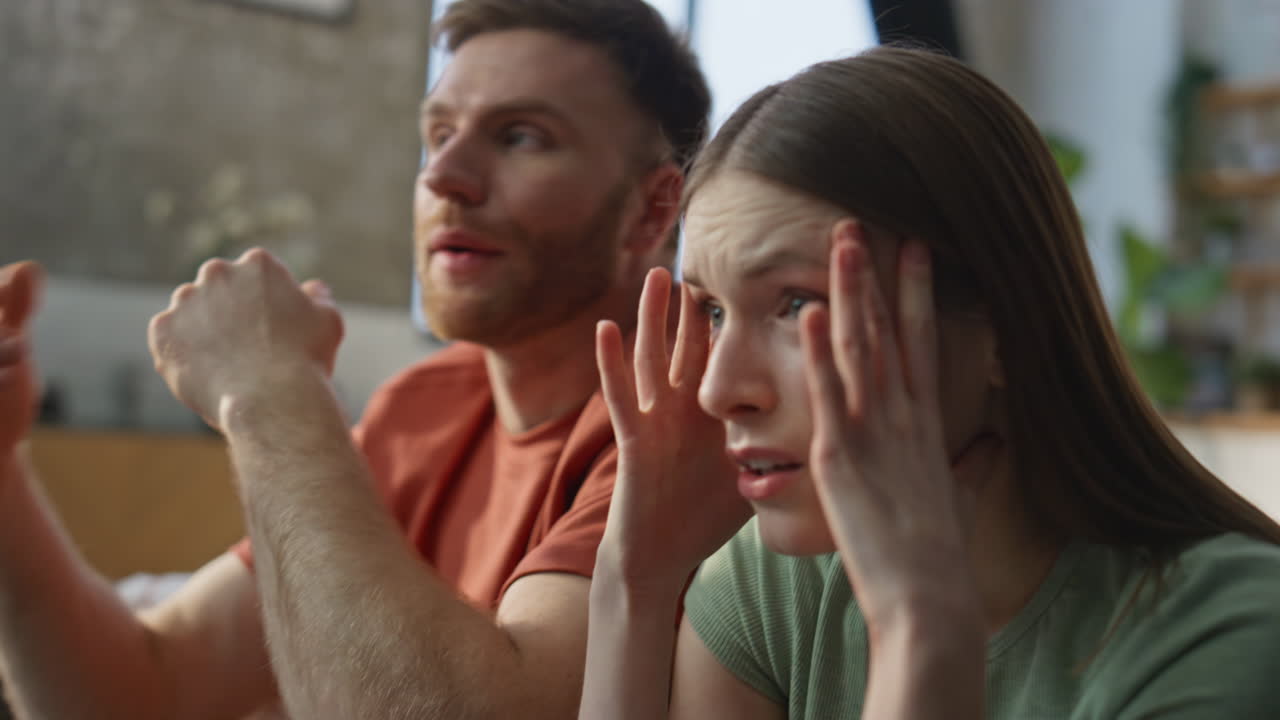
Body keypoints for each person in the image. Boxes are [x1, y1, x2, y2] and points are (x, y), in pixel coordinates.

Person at [0, 0, 710, 717]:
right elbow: (137, 693)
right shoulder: (424, 407)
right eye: (437, 134)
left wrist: (270, 395)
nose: (444, 176)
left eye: (521, 136)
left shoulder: (702, 409)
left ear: (653, 211)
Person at [579, 46, 1280, 719]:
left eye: (797, 304)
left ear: (1006, 326)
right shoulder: (773, 586)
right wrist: (633, 587)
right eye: (713, 310)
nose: (719, 389)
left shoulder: (1229, 632)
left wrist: (921, 632)